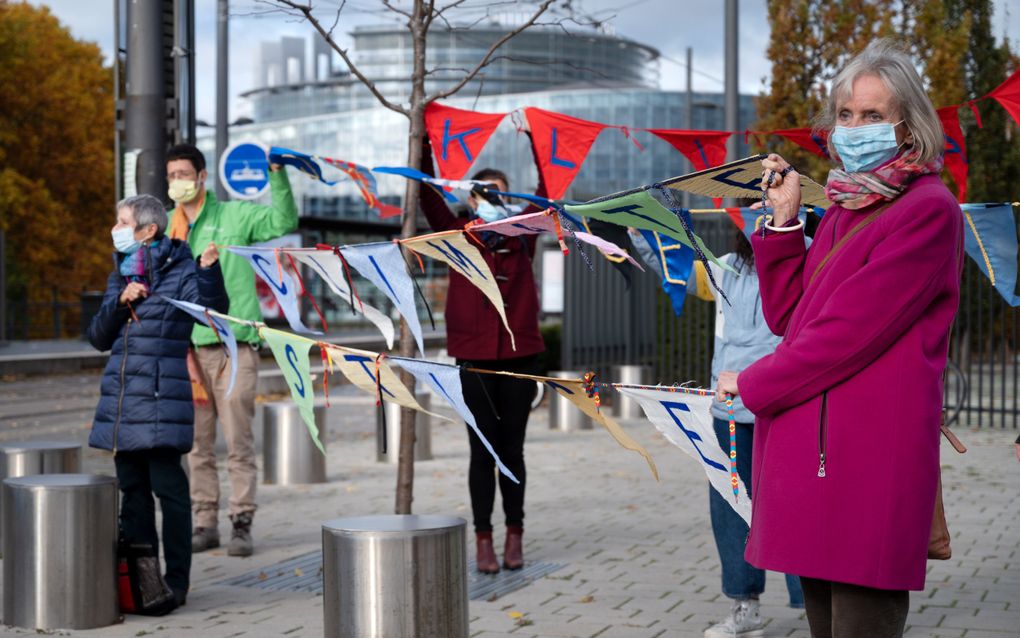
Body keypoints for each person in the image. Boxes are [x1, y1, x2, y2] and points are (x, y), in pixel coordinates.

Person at [716, 40, 962, 638]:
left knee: (861, 621)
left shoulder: (928, 209)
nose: (853, 128)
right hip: (815, 450)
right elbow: (792, 317)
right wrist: (783, 224)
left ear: (909, 123)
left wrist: (752, 382)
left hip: (868, 456)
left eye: (872, 115)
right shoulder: (851, 205)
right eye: (846, 115)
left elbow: (847, 335)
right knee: (825, 623)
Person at [88, 194, 228, 609]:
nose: (116, 228)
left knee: (170, 491)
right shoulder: (122, 274)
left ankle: (177, 583)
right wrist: (120, 302)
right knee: (132, 493)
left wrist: (209, 272)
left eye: (122, 221)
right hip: (123, 403)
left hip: (161, 396)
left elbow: (214, 311)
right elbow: (98, 337)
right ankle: (143, 585)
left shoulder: (182, 270)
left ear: (148, 230)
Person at [165, 143, 298, 557]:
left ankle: (242, 521)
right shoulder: (169, 227)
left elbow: (283, 219)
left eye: (184, 174)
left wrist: (276, 174)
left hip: (235, 347)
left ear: (203, 177)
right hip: (187, 353)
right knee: (196, 443)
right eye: (172, 176)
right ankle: (205, 521)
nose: (177, 183)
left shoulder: (235, 215)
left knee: (237, 438)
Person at [420, 140, 545, 574]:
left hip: (520, 355)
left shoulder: (523, 231)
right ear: (471, 199)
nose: (495, 199)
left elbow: (547, 192)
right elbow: (426, 193)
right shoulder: (456, 233)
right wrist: (424, 143)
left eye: (501, 193)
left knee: (513, 450)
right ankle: (484, 539)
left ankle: (515, 536)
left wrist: (534, 141)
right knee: (481, 450)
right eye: (486, 192)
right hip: (473, 357)